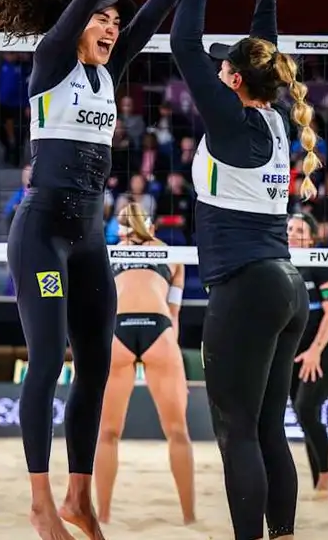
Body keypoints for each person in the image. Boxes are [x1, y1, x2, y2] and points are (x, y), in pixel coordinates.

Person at [0, 0, 252, 539]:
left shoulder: (108, 71)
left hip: (89, 236)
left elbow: (157, 6)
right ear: (76, 23)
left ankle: (78, 497)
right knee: (47, 361)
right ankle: (40, 502)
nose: (111, 27)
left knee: (95, 361)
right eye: (101, 20)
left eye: (113, 25)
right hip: (42, 233)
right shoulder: (52, 61)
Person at [170, 0, 315, 540]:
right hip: (287, 286)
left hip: (246, 287)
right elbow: (266, 56)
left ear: (230, 80)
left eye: (223, 65)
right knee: (266, 430)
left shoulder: (232, 122)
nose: (218, 68)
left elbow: (182, 41)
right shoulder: (274, 118)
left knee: (237, 433)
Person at [94, 203, 194, 526]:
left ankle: (103, 516)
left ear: (120, 231)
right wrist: (172, 360)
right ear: (151, 228)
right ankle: (189, 518)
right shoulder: (172, 254)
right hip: (159, 329)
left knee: (107, 433)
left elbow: (97, 311)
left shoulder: (109, 254)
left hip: (118, 330)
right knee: (178, 432)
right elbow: (174, 315)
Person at [286, 212, 328, 499]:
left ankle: (326, 474)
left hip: (323, 350)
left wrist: (315, 351)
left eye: (299, 230)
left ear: (311, 239)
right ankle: (319, 481)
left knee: (307, 408)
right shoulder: (278, 265)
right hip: (293, 353)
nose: (292, 234)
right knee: (303, 414)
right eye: (289, 229)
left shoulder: (322, 265)